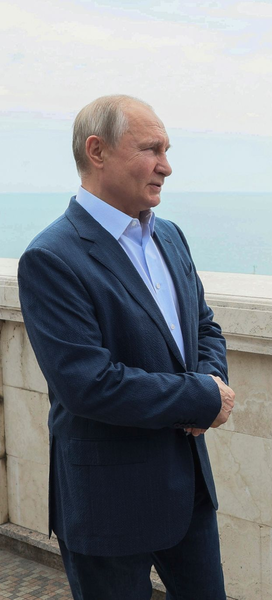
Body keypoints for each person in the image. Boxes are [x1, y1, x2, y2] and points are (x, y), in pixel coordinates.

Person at [17, 95, 235, 599]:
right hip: (107, 502)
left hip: (188, 489)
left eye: (167, 149)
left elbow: (204, 326)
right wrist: (202, 398)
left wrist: (211, 378)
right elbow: (86, 383)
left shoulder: (171, 237)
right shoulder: (52, 257)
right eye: (150, 149)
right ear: (97, 151)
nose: (166, 166)